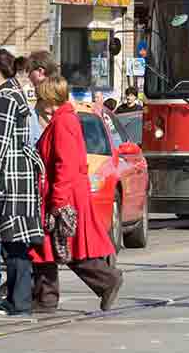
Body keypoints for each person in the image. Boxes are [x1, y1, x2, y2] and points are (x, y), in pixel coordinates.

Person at [31, 77, 124, 313]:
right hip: (65, 193)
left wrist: (58, 200)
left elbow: (66, 164)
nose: (39, 103)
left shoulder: (62, 122)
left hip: (63, 195)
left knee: (62, 246)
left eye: (41, 97)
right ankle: (46, 296)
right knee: (52, 247)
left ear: (50, 99)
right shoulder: (65, 118)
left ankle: (106, 280)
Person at [0, 50, 44, 317]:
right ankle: (16, 299)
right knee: (14, 243)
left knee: (14, 243)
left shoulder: (5, 98)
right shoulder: (14, 94)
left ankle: (18, 300)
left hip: (10, 180)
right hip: (15, 178)